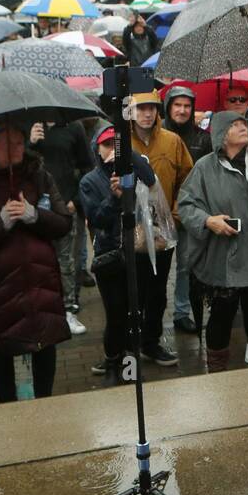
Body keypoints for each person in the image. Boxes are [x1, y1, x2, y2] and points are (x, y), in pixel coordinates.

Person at [0, 124, 72, 403]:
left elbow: (64, 224)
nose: (15, 150)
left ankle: (46, 406)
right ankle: (8, 412)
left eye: (20, 143)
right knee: (0, 351)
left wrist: (34, 216)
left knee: (44, 345)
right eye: (8, 144)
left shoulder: (39, 176)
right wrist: (0, 223)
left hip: (40, 282)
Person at [178, 107, 248, 372]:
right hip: (222, 259)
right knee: (220, 316)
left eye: (244, 123)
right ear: (220, 133)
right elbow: (186, 205)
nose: (243, 127)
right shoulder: (205, 167)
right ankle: (217, 372)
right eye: (235, 125)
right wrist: (209, 221)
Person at [80, 126, 157, 386]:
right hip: (109, 254)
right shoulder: (89, 181)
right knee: (115, 313)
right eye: (106, 145)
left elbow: (150, 178)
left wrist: (129, 155)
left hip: (137, 251)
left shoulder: (133, 169)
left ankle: (129, 362)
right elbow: (96, 219)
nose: (112, 149)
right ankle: (114, 359)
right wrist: (114, 199)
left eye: (117, 144)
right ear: (96, 150)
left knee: (135, 311)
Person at [128, 91, 192, 365]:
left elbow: (187, 180)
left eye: (152, 108)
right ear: (130, 111)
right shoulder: (119, 142)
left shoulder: (172, 141)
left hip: (163, 233)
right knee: (132, 292)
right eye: (141, 108)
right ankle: (128, 346)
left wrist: (174, 216)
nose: (147, 113)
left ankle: (151, 342)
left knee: (157, 291)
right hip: (130, 233)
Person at [28, 118, 93, 335]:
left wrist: (76, 200)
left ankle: (68, 309)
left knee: (67, 261)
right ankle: (44, 308)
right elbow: (19, 165)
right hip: (36, 206)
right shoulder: (29, 124)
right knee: (40, 260)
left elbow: (87, 165)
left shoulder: (73, 126)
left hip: (66, 205)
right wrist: (31, 143)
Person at [162, 84, 209, 335]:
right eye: (177, 105)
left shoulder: (203, 138)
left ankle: (182, 312)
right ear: (169, 107)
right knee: (157, 268)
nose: (182, 110)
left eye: (187, 106)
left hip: (192, 212)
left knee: (186, 265)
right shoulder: (158, 135)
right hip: (160, 212)